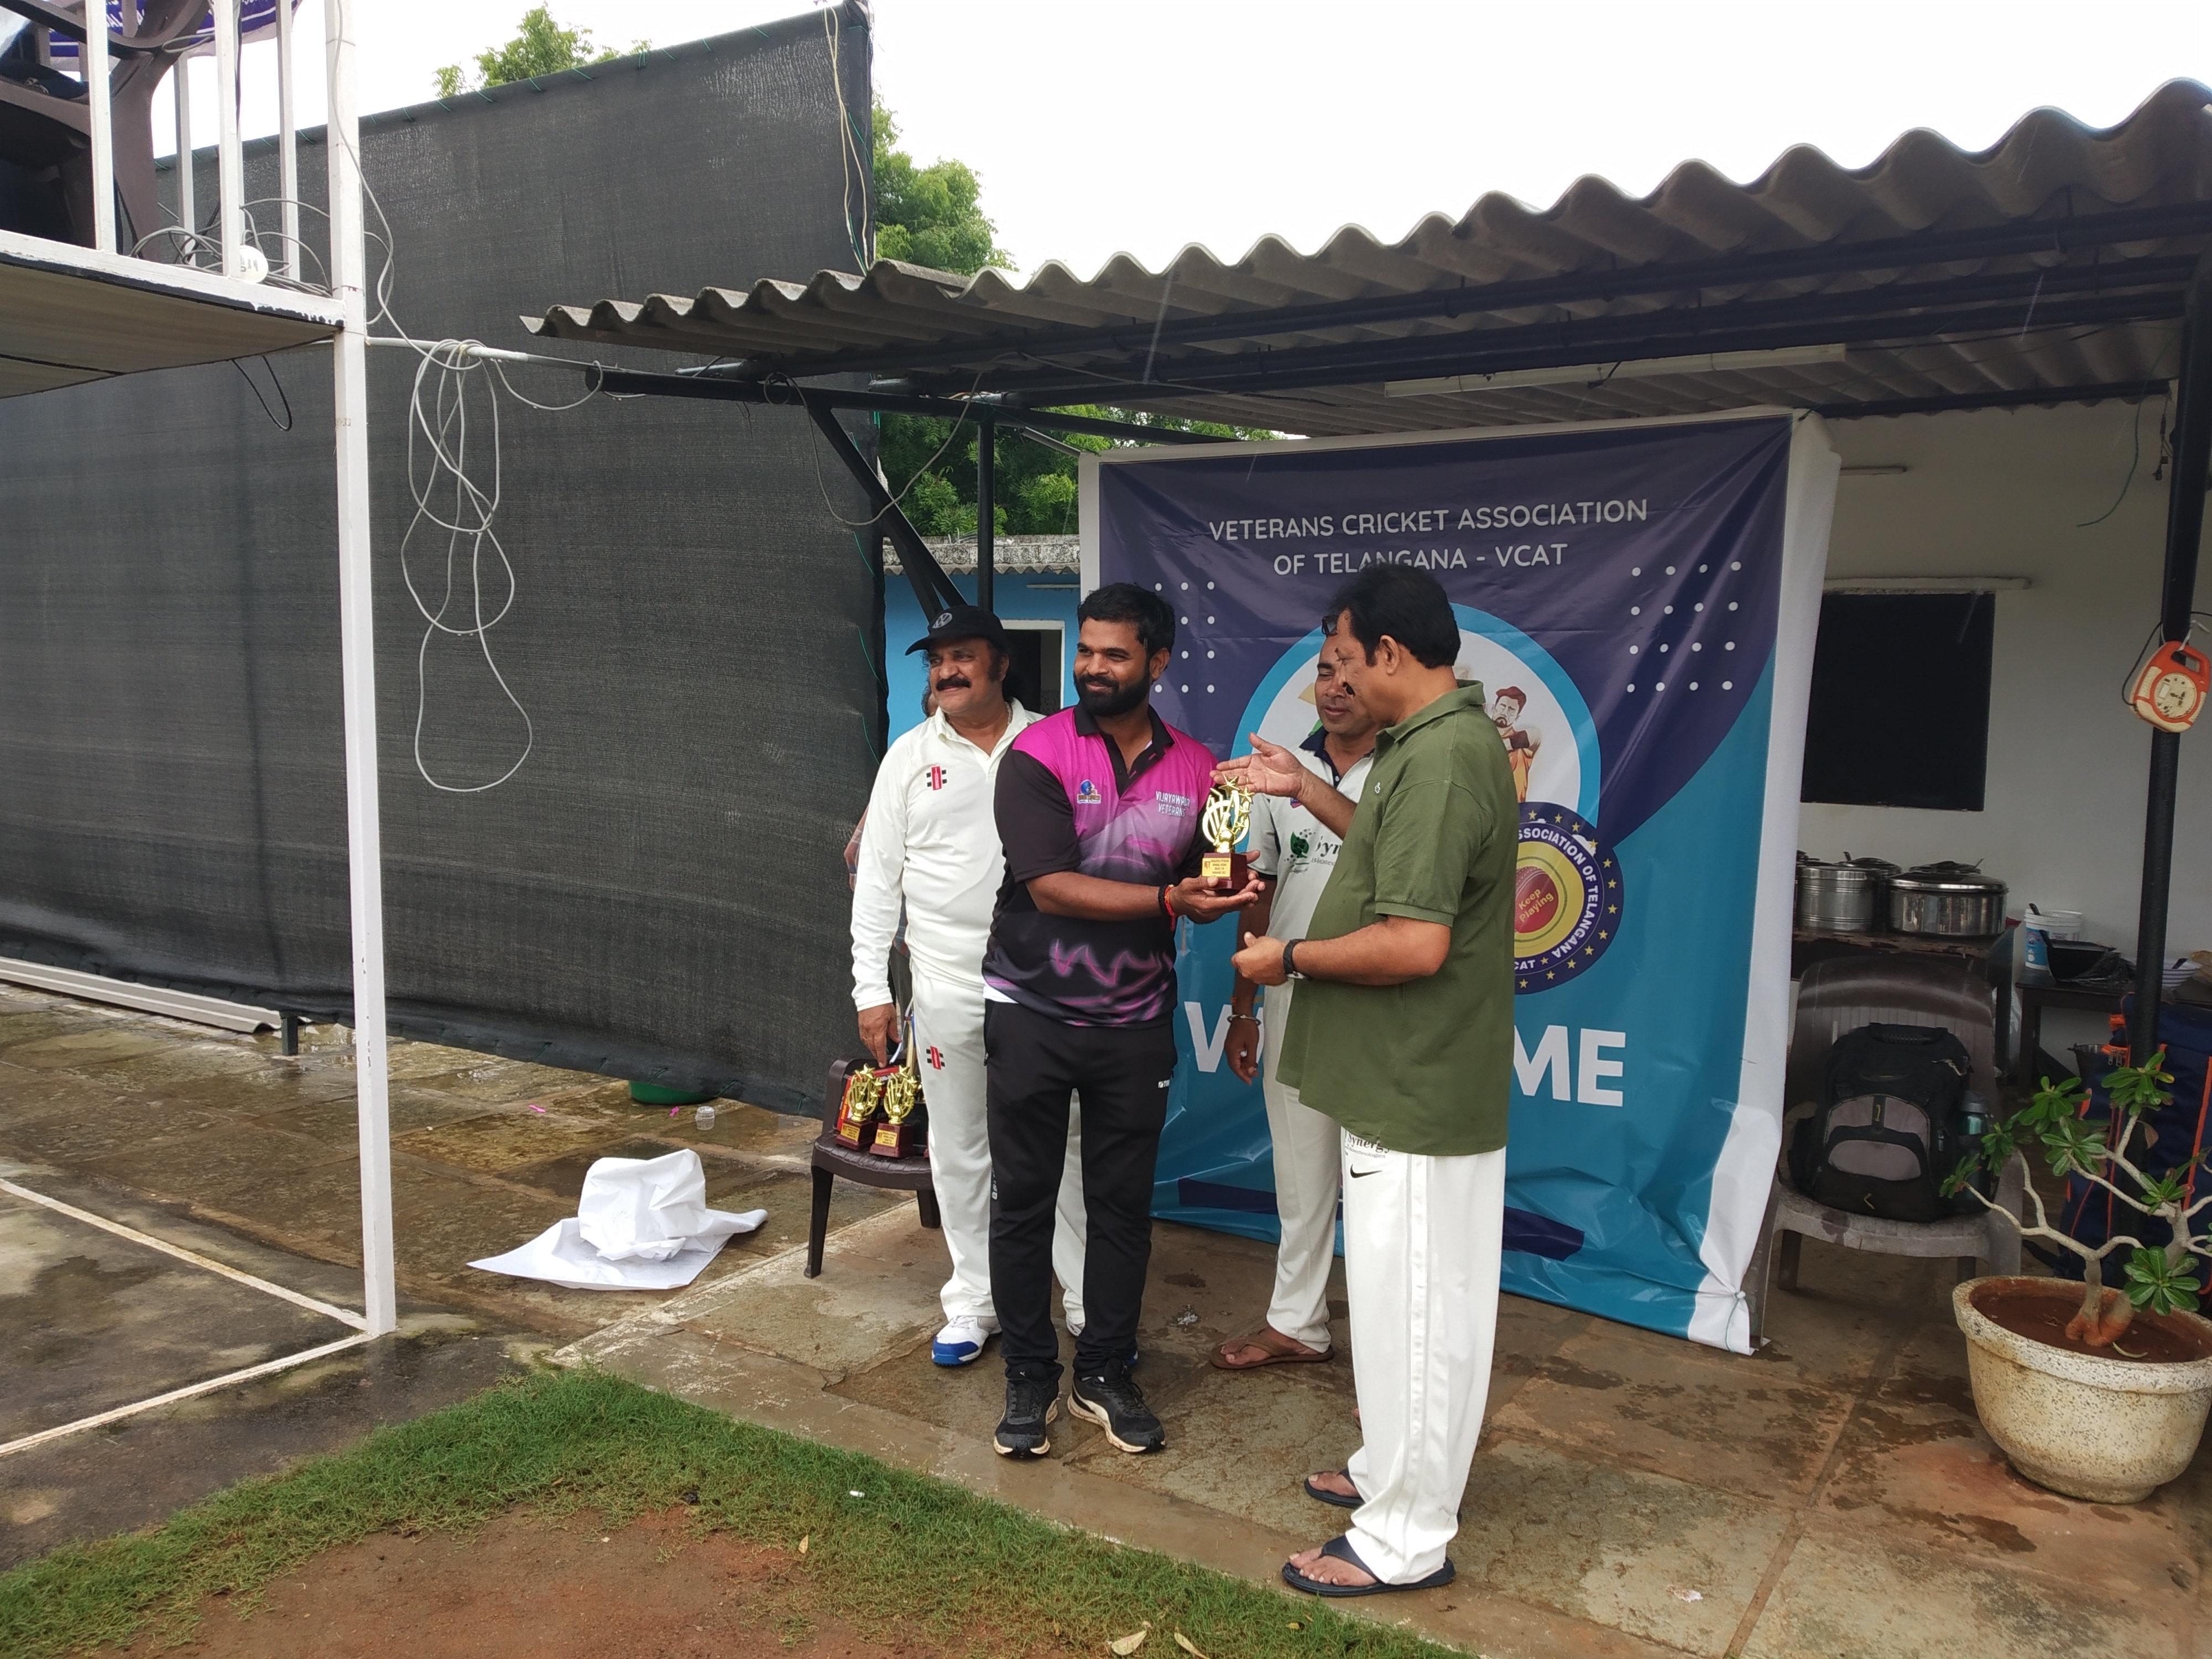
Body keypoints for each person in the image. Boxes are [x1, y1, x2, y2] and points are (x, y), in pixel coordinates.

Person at [1223, 565, 1517, 1597]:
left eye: (1345, 660)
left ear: (1391, 653)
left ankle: (1404, 1538)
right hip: (1394, 1074)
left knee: (1420, 1316)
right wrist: (1304, 789)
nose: (1333, 680)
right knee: (1397, 1309)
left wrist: (1288, 960)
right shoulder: (1420, 747)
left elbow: (1416, 941)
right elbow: (1391, 855)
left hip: (1417, 1081)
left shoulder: (1442, 760)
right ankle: (1390, 1471)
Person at [982, 582, 1261, 1458]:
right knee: (1023, 1202)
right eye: (1086, 650)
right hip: (1030, 1010)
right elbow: (1048, 885)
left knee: (1122, 1207)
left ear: (1158, 661)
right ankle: (1030, 1375)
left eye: (1114, 653)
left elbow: (1218, 873)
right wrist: (1171, 900)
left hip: (1135, 1020)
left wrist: (1229, 887)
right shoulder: (1037, 752)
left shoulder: (1201, 770)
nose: (1092, 667)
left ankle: (1103, 1371)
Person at [850, 608, 1088, 1369]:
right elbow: (876, 881)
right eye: (937, 660)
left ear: (1001, 665)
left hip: (1045, 987)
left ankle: (1083, 1297)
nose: (946, 671)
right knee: (959, 1148)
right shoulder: (908, 757)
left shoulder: (1053, 741)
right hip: (946, 983)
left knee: (1065, 1140)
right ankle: (975, 1302)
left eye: (963, 656)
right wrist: (870, 990)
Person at [1213, 652, 1382, 1372]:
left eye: (1352, 673)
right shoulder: (1282, 775)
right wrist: (1244, 1008)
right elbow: (1259, 893)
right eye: (1325, 672)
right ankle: (1298, 1322)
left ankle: (1388, 1353)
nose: (1335, 689)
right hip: (1289, 993)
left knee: (1382, 1180)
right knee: (1302, 1168)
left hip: (1381, 997)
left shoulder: (1406, 771)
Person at [1490, 685, 1541, 803]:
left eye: (1511, 710)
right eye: (1502, 706)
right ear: (1493, 709)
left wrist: (1504, 746)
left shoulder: (1523, 748)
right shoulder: (1478, 737)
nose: (1505, 713)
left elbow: (1536, 736)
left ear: (1517, 717)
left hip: (1514, 810)